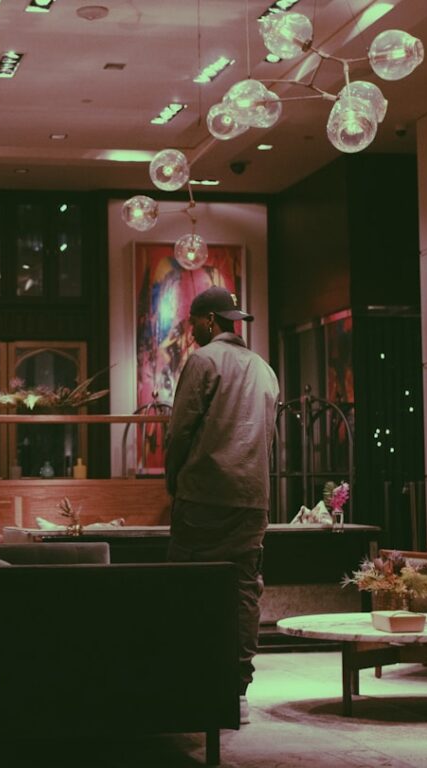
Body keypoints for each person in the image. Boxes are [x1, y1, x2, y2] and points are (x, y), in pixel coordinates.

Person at [165, 285, 279, 725]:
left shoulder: (203, 360)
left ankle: (190, 682)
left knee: (187, 585)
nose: (190, 331)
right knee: (244, 589)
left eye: (193, 322)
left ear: (210, 321)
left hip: (204, 496)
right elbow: (268, 439)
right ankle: (237, 691)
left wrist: (174, 481)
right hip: (253, 500)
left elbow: (179, 433)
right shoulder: (265, 370)